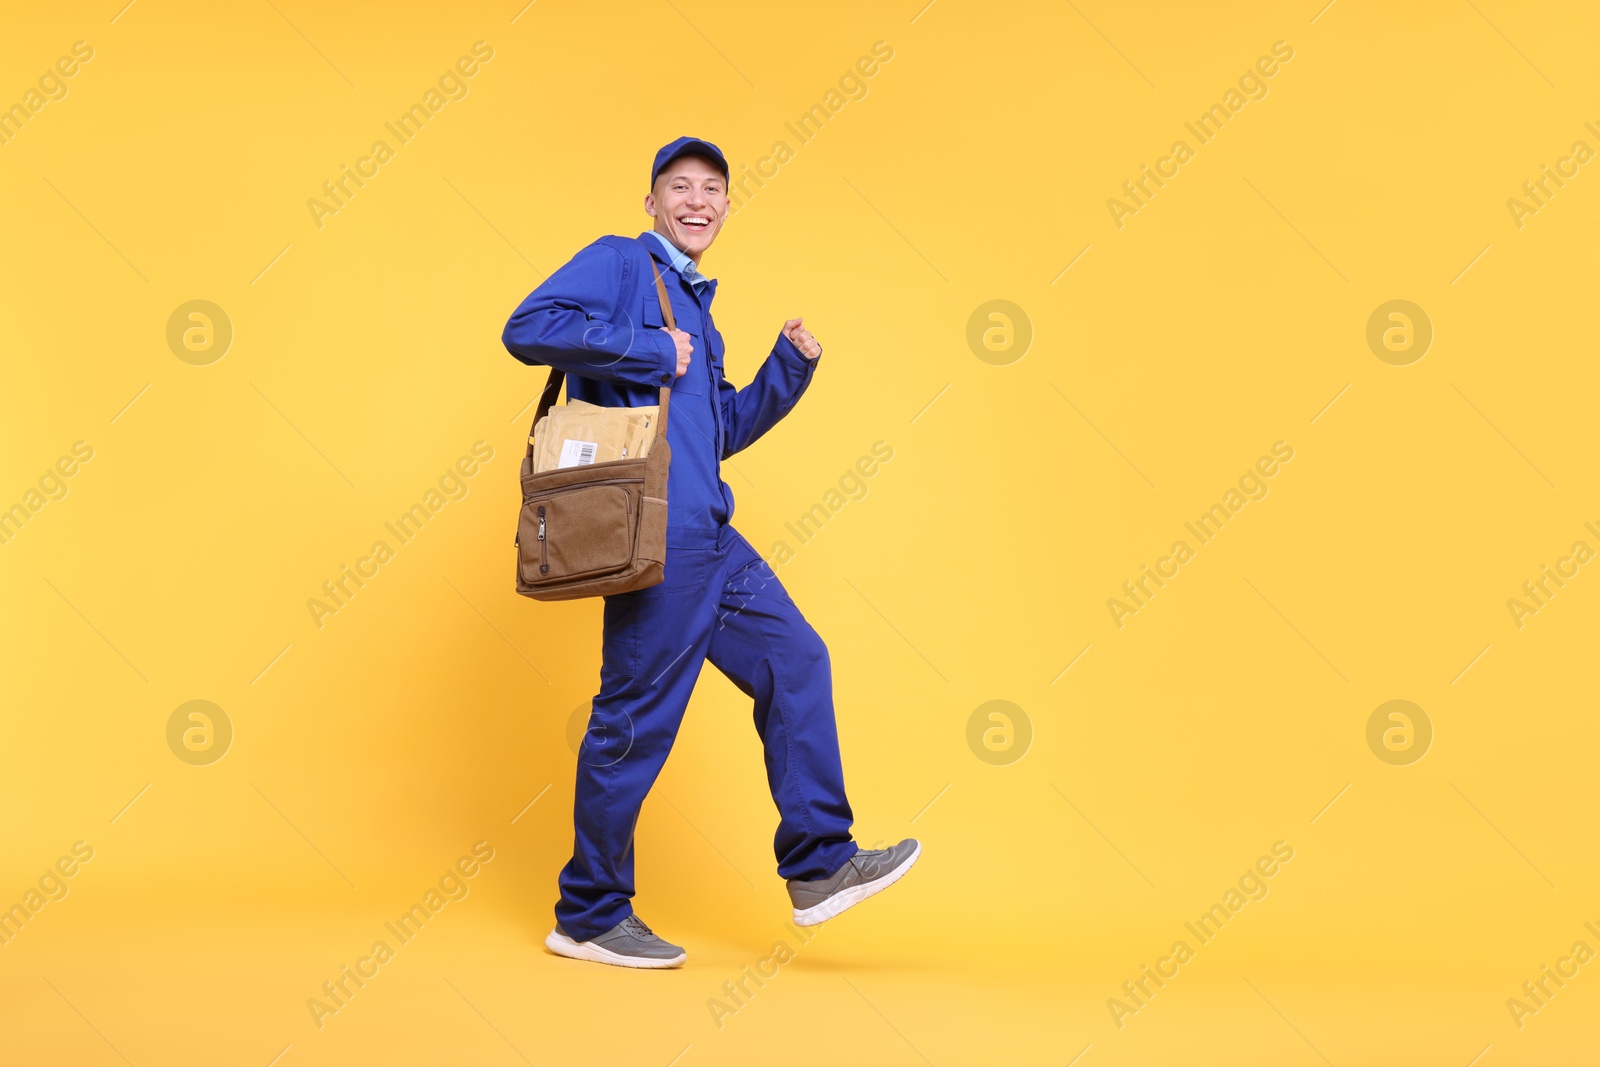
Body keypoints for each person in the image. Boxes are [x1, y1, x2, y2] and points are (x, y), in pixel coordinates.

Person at [500, 136, 920, 969]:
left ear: (728, 207)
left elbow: (717, 431)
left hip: (711, 537)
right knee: (632, 724)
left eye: (713, 190)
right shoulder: (624, 263)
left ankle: (820, 865)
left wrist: (786, 371)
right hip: (657, 537)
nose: (697, 200)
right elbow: (527, 327)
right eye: (679, 187)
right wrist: (651, 350)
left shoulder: (698, 307)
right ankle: (587, 911)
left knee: (797, 661)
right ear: (650, 203)